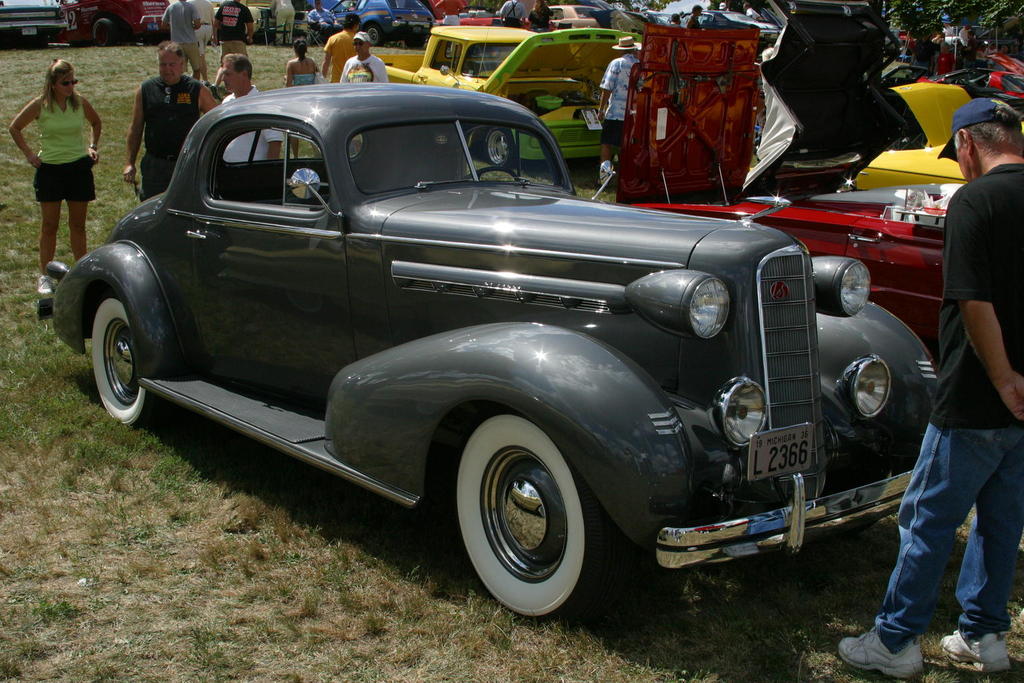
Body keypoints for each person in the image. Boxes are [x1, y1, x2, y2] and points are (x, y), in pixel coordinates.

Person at [837, 98, 1024, 679]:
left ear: (967, 144)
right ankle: (984, 635)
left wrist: (1002, 378)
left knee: (927, 518)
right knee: (1002, 518)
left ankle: (894, 640)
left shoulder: (976, 199)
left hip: (978, 390)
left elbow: (973, 298)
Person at [8, 60, 101, 295]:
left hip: (78, 169)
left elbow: (96, 122)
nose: (71, 87)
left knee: (78, 225)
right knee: (50, 225)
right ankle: (45, 275)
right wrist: (29, 154)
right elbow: (15, 128)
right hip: (50, 170)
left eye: (73, 81)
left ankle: (81, 273)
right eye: (65, 83)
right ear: (52, 84)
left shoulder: (80, 102)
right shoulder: (40, 105)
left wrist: (92, 146)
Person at [124, 42, 218, 201]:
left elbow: (215, 121)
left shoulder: (196, 90)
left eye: (172, 64)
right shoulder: (146, 90)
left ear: (182, 65)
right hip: (155, 165)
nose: (167, 69)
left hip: (186, 163)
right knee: (153, 207)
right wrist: (129, 163)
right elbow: (136, 128)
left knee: (186, 206)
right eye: (163, 64)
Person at [220, 53, 283, 161]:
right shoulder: (226, 102)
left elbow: (275, 142)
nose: (223, 78)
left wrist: (269, 169)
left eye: (228, 74)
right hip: (227, 168)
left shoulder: (264, 105)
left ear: (244, 74)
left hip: (252, 169)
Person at [597, 34, 639, 180]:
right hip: (633, 113)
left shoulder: (616, 63)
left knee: (606, 143)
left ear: (621, 50)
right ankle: (625, 177)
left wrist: (601, 109)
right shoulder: (639, 64)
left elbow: (607, 87)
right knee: (625, 146)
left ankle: (605, 176)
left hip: (615, 112)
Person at [162, 0, 202, 79]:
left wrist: (173, 27)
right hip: (190, 42)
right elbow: (197, 24)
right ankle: (195, 85)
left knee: (178, 69)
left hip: (176, 43)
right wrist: (191, 27)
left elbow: (163, 25)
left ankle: (179, 85)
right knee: (196, 69)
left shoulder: (171, 7)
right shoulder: (191, 7)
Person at [321, 12, 360, 83]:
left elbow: (326, 62)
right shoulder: (359, 41)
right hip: (354, 80)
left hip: (336, 81)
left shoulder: (333, 39)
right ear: (355, 26)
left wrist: (322, 79)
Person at [190, 0, 215, 81]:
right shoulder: (209, 3)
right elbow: (213, 20)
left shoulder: (190, 3)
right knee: (200, 54)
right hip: (208, 28)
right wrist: (214, 35)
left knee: (200, 56)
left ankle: (205, 79)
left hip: (197, 29)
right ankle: (195, 76)